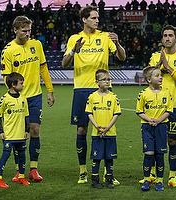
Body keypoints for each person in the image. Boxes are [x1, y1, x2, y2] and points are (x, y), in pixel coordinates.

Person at [62, 5, 126, 184]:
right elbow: (64, 63)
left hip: (104, 89)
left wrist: (118, 43)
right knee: (82, 129)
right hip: (82, 88)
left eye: (98, 18)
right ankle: (83, 171)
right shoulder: (75, 38)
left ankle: (108, 173)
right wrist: (74, 50)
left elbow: (122, 57)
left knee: (105, 129)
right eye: (93, 18)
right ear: (84, 19)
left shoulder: (105, 37)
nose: (97, 21)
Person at [0, 16, 55, 182]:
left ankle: (33, 169)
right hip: (18, 98)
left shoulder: (36, 45)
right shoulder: (8, 50)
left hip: (35, 95)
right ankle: (19, 171)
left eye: (29, 30)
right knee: (19, 135)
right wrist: (14, 95)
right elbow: (6, 77)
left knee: (35, 130)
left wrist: (50, 91)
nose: (27, 33)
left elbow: (43, 68)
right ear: (15, 30)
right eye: (24, 31)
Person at [146, 25, 176, 187]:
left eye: (170, 35)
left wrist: (168, 68)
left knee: (172, 140)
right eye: (165, 35)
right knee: (153, 141)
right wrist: (158, 66)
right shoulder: (154, 56)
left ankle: (172, 176)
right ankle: (151, 175)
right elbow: (148, 77)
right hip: (154, 105)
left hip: (174, 105)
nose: (167, 38)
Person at [136, 66, 173, 191]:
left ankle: (160, 181)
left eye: (161, 75)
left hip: (161, 126)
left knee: (159, 155)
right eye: (157, 76)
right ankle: (147, 180)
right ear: (148, 80)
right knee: (149, 153)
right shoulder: (143, 94)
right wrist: (149, 119)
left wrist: (158, 120)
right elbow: (139, 111)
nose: (161, 77)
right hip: (147, 127)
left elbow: (169, 110)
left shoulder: (166, 93)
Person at [85, 69, 121, 189]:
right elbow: (89, 113)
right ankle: (95, 179)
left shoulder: (113, 97)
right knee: (96, 157)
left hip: (110, 133)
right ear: (97, 82)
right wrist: (96, 126)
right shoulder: (92, 97)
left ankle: (109, 178)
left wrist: (107, 128)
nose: (107, 82)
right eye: (104, 79)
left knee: (109, 157)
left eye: (108, 79)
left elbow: (116, 114)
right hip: (97, 133)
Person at [0, 72, 30, 188]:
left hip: (20, 134)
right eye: (21, 83)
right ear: (13, 84)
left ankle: (21, 177)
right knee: (5, 155)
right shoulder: (4, 99)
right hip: (9, 135)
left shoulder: (24, 98)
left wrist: (27, 130)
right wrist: (1, 131)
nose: (23, 86)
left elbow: (26, 116)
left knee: (22, 156)